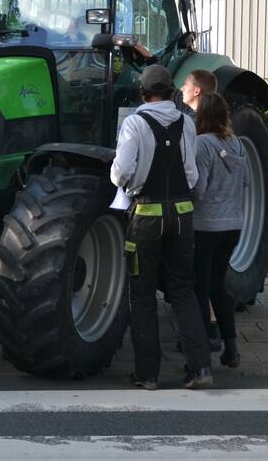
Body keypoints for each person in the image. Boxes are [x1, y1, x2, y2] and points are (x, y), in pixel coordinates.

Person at [111, 64, 213, 390]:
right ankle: (200, 369)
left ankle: (148, 374)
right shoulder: (187, 122)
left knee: (141, 295)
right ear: (170, 91)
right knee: (183, 289)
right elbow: (191, 173)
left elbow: (122, 171)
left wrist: (122, 182)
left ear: (142, 93)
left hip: (146, 217)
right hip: (183, 214)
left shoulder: (134, 123)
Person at [191, 92, 246, 369]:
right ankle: (232, 348)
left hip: (205, 226)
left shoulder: (201, 144)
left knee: (199, 287)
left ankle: (203, 349)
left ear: (201, 116)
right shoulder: (237, 144)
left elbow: (198, 189)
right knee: (218, 286)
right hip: (233, 225)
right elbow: (244, 182)